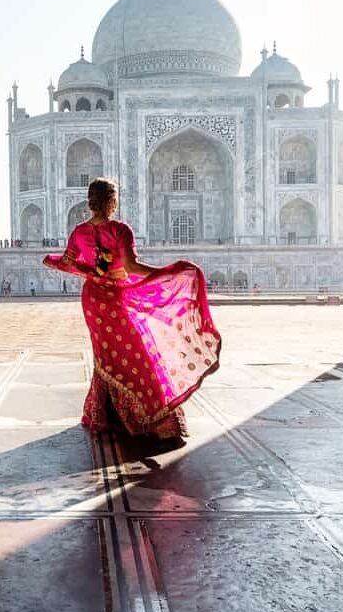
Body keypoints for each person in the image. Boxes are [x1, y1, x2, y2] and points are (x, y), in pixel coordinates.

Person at [44, 177, 221, 446]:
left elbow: (68, 263)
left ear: (91, 201)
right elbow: (132, 267)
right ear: (113, 202)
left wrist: (91, 273)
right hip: (115, 295)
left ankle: (109, 415)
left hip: (93, 299)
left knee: (108, 356)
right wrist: (165, 272)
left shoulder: (79, 231)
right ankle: (149, 418)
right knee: (136, 352)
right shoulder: (119, 229)